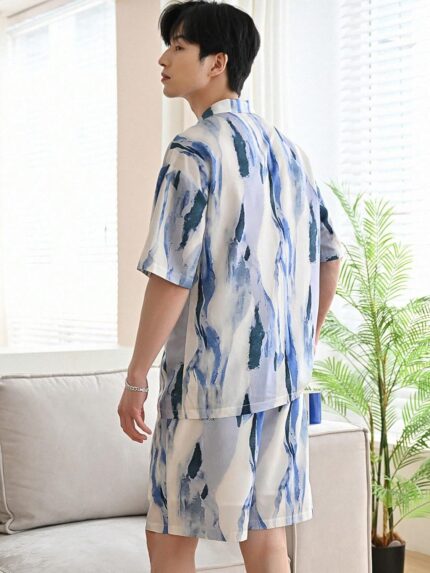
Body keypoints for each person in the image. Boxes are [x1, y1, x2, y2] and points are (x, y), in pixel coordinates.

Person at [116, 1, 345, 572]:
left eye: (178, 46)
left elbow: (171, 274)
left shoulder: (192, 150)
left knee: (171, 536)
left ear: (217, 62)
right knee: (266, 541)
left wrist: (137, 377)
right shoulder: (291, 151)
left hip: (207, 387)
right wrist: (301, 344)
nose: (163, 58)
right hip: (282, 384)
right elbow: (330, 259)